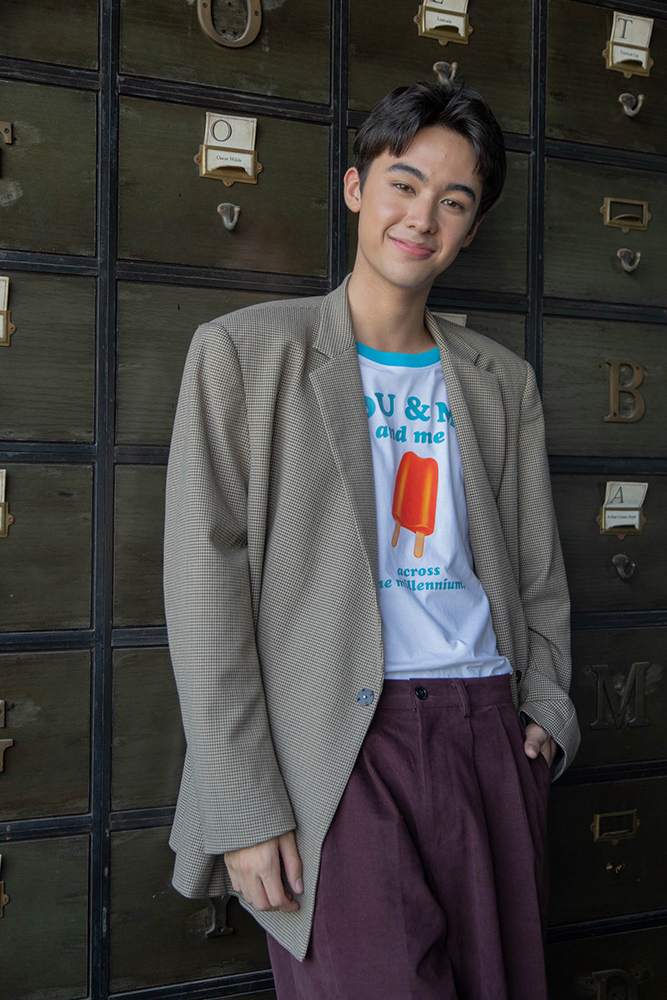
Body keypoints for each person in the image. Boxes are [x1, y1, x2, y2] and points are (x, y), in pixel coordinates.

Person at [164, 77, 580, 1000]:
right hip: (334, 743)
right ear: (356, 187)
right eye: (404, 183)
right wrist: (243, 800)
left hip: (486, 730)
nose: (422, 216)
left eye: (453, 201)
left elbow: (538, 573)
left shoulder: (499, 381)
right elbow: (203, 589)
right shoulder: (244, 353)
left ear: (471, 229)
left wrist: (546, 709)